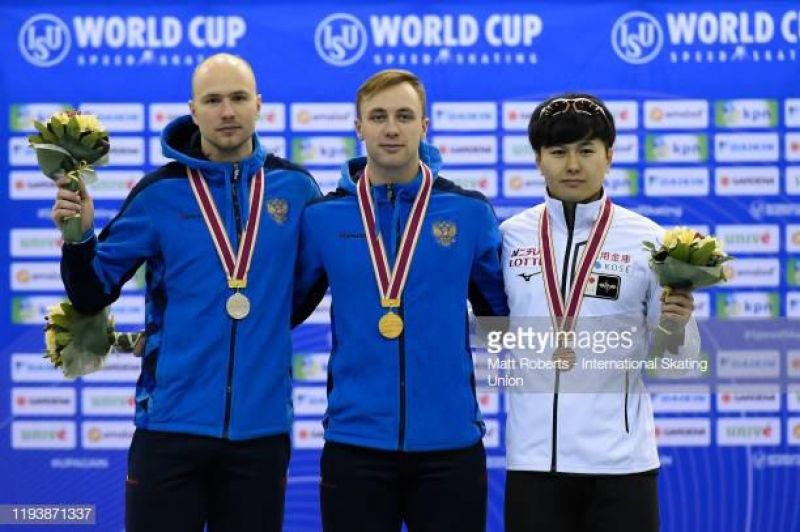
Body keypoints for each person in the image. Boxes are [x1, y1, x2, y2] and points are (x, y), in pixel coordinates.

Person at [51, 53, 321, 532]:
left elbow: (302, 292)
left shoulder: (297, 190)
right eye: (213, 101)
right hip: (169, 428)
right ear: (193, 111)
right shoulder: (159, 194)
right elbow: (92, 292)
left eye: (238, 98)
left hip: (260, 436)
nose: (227, 111)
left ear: (259, 105)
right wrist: (79, 237)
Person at [292, 69, 509, 532]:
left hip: (450, 447)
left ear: (424, 126)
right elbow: (278, 309)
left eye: (404, 116)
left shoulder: (469, 213)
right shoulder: (323, 218)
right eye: (378, 117)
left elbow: (503, 315)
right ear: (359, 127)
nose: (391, 128)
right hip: (356, 444)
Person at [500, 93, 699, 532]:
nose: (573, 165)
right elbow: (481, 328)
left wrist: (677, 327)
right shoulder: (509, 238)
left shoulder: (650, 242)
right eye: (558, 152)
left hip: (622, 469)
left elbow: (677, 366)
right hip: (535, 465)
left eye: (586, 150)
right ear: (538, 159)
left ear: (609, 155)